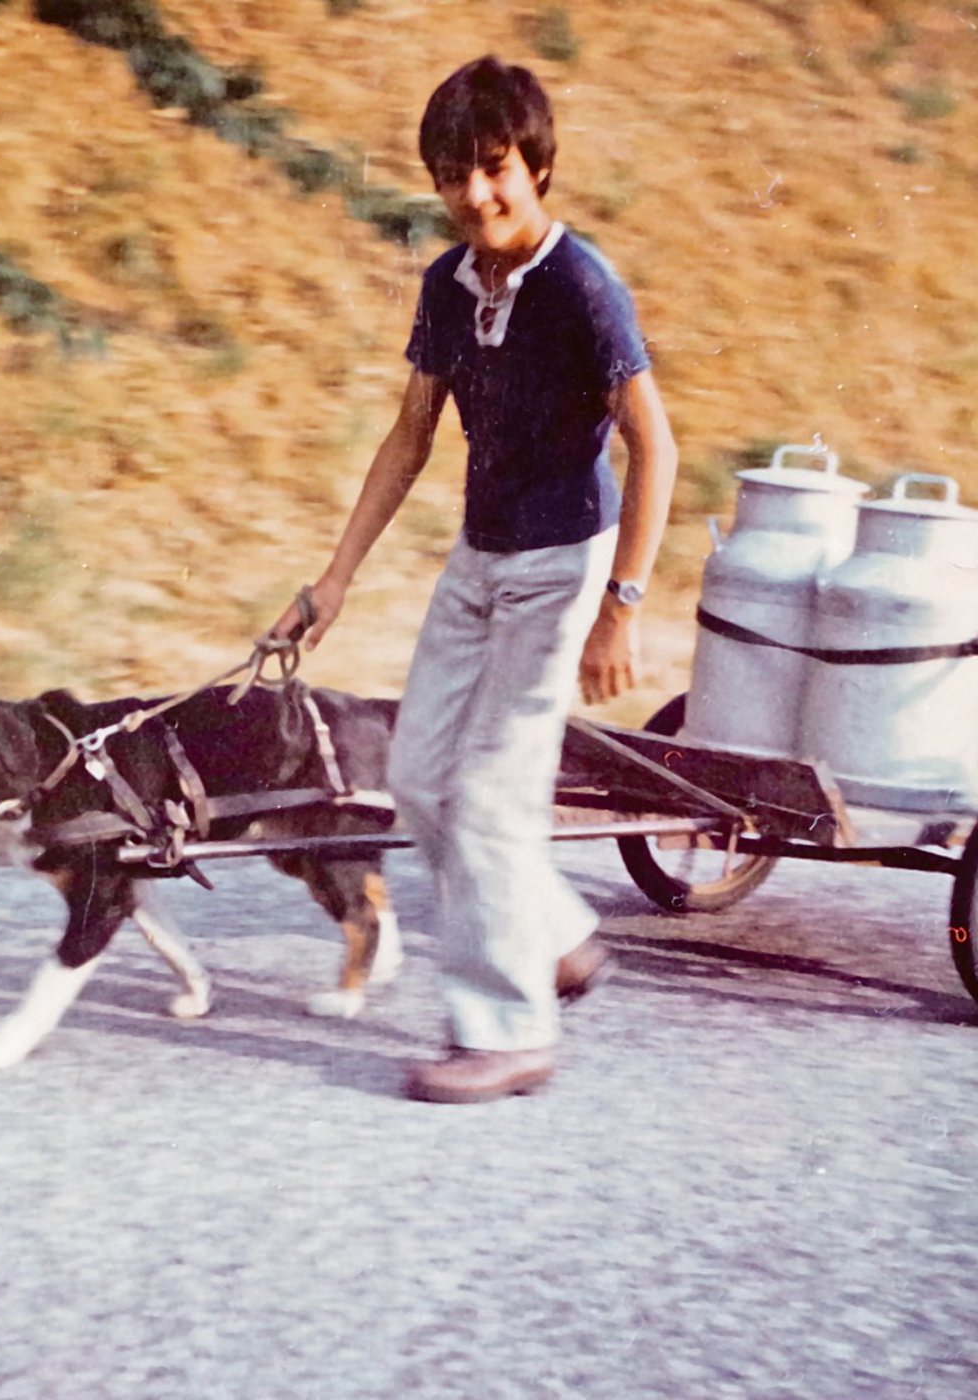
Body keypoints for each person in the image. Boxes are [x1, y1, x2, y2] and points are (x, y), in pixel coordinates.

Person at [271, 55, 677, 1104]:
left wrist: (621, 604)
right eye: (453, 174)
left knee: (492, 794)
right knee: (415, 773)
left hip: (561, 563)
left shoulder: (580, 285)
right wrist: (334, 579)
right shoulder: (447, 286)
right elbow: (410, 433)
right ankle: (553, 934)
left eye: (493, 167)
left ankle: (507, 1032)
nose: (474, 194)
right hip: (478, 554)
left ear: (533, 164)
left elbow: (653, 448)